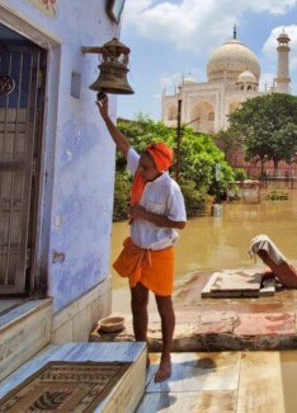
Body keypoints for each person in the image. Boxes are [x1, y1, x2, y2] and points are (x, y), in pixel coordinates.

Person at [96, 93, 186, 383]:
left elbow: (180, 223)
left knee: (163, 305)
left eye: (147, 168)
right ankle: (141, 351)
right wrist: (105, 116)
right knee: (137, 303)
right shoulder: (141, 172)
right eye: (141, 166)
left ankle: (167, 357)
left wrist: (145, 214)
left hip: (159, 252)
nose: (142, 171)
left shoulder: (170, 189)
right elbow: (123, 144)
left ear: (160, 167)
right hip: (137, 249)